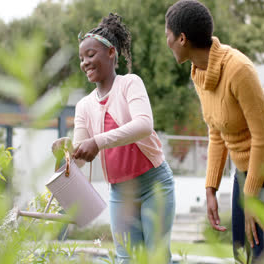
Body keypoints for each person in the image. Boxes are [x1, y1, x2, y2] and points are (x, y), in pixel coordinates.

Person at [164, 1, 264, 263]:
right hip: (247, 171)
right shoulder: (199, 74)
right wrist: (211, 188)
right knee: (242, 254)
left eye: (168, 36)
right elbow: (217, 132)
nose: (167, 42)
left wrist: (250, 196)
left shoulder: (238, 69)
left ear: (182, 38)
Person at [52, 13, 175, 264]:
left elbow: (143, 125)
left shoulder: (130, 83)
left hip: (155, 185)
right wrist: (65, 153)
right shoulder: (84, 106)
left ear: (111, 53)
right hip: (120, 193)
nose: (85, 62)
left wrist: (97, 142)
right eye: (81, 58)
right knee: (125, 258)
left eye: (90, 54)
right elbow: (80, 159)